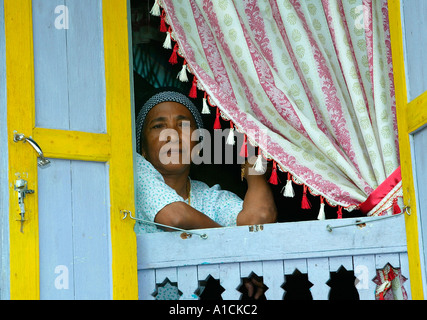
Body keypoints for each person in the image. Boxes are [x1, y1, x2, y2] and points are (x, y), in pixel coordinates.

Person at [134, 88, 277, 299]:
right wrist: (232, 251)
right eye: (159, 126)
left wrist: (252, 170)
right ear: (143, 149)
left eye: (183, 126)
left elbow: (260, 218)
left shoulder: (208, 197)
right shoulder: (135, 171)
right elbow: (174, 217)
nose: (172, 135)